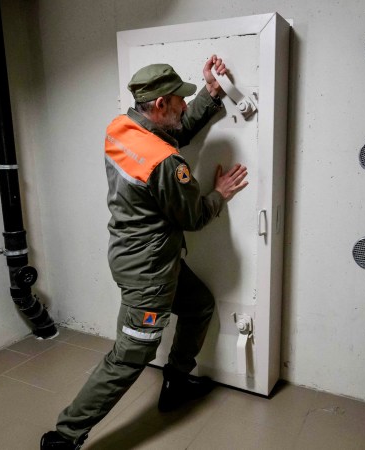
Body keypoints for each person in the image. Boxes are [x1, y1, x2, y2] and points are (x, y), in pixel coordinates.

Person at [41, 55, 249, 449]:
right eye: (179, 100)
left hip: (134, 253)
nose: (185, 106)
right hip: (149, 272)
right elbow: (193, 216)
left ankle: (175, 380)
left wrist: (210, 93)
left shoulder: (122, 130)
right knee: (129, 355)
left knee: (199, 304)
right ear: (159, 106)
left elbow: (176, 131)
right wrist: (220, 195)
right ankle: (63, 436)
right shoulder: (167, 164)